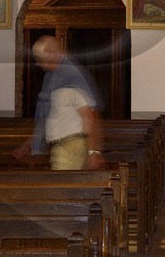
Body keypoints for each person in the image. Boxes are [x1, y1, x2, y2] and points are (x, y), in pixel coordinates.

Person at [14, 36, 105, 170]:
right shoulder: (51, 75)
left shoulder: (70, 74)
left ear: (51, 53)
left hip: (70, 146)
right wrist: (29, 144)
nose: (37, 63)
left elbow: (90, 114)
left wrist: (93, 152)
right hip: (62, 146)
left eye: (39, 59)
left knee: (63, 188)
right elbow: (47, 115)